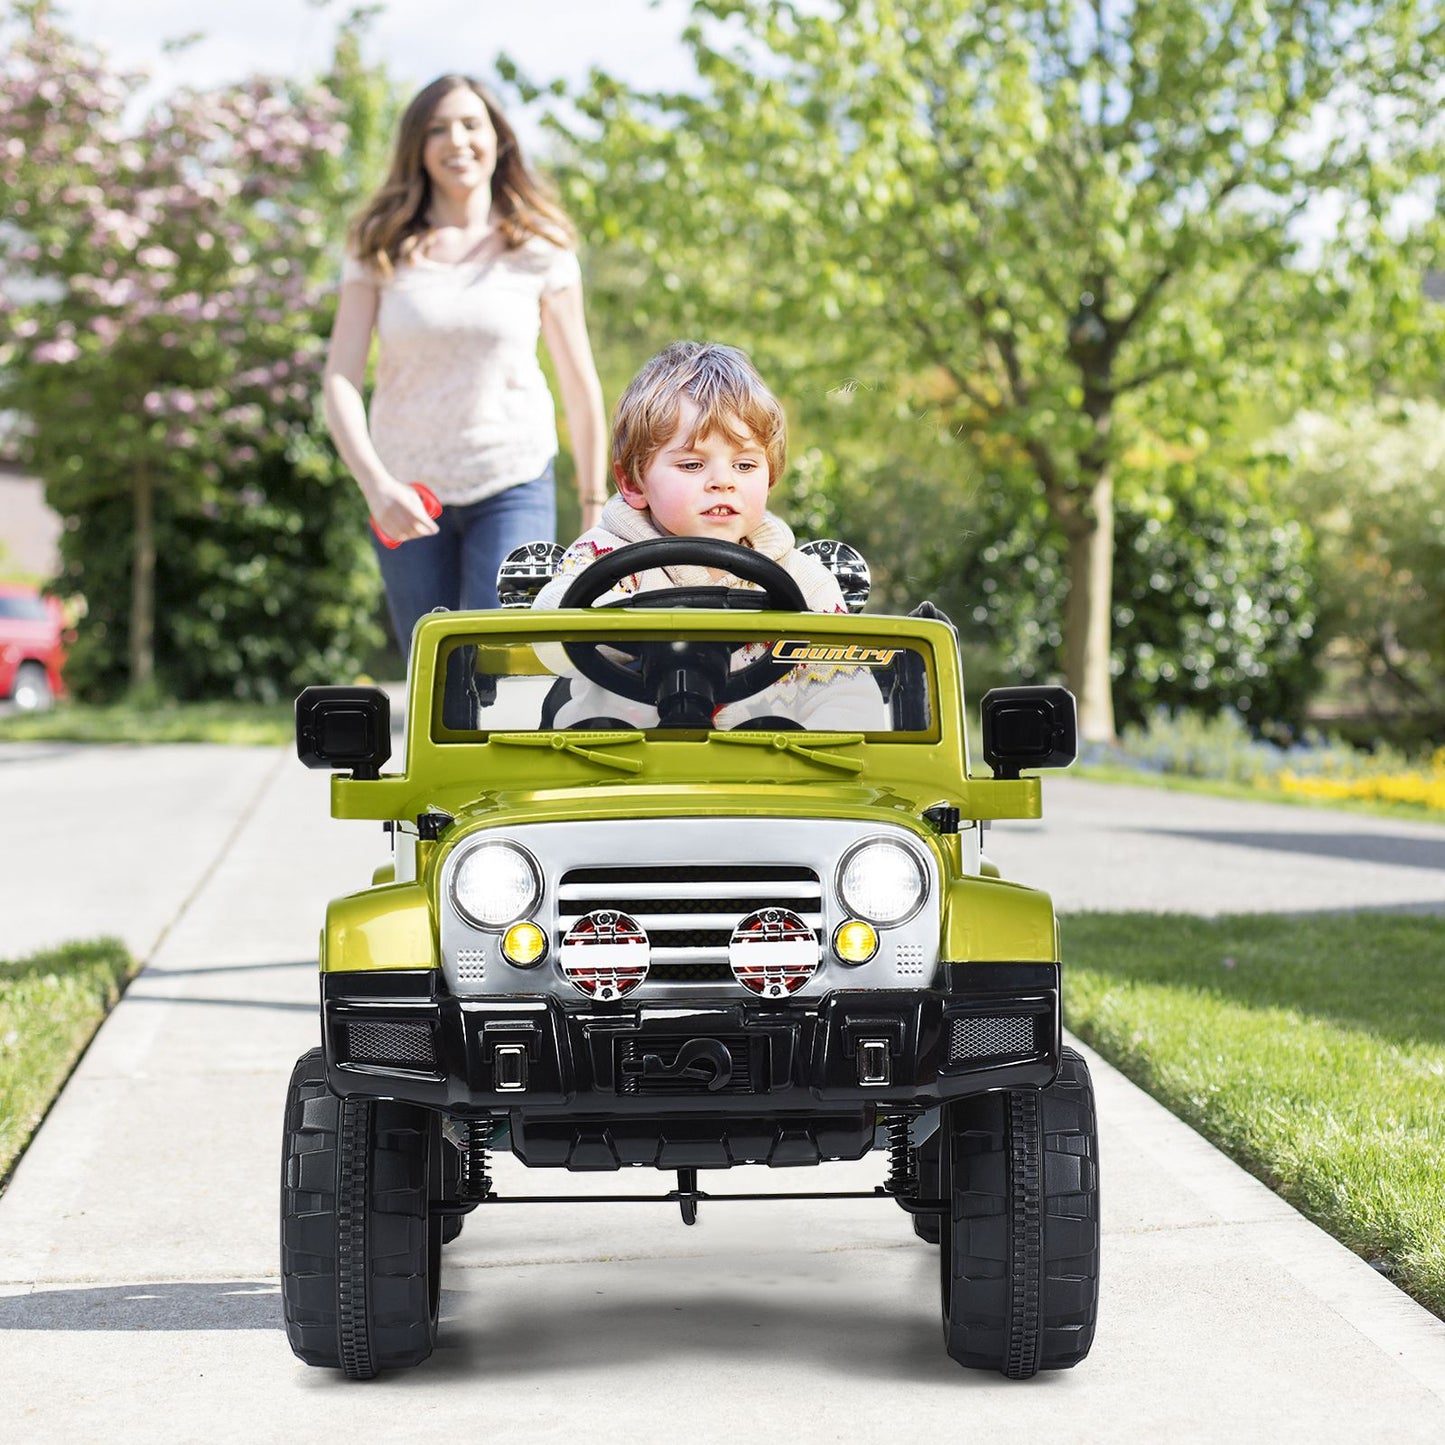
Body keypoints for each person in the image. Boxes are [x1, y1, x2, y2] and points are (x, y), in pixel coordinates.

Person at [323, 73, 607, 661]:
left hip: (512, 478)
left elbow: (580, 388)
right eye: (437, 129)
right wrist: (376, 486)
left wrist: (594, 506)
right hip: (406, 488)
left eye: (471, 124)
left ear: (498, 138)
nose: (456, 141)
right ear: (418, 145)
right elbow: (340, 380)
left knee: (499, 663)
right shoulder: (378, 243)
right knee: (433, 669)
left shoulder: (540, 246)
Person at [532, 340, 888, 730]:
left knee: (784, 724)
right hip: (617, 758)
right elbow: (550, 634)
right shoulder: (604, 556)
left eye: (745, 465)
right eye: (692, 464)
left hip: (762, 761)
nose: (722, 481)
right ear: (633, 483)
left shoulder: (804, 582)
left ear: (770, 477)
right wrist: (624, 624)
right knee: (593, 726)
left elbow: (849, 696)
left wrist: (812, 748)